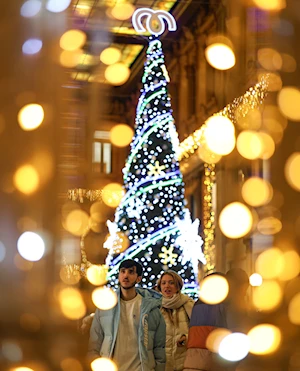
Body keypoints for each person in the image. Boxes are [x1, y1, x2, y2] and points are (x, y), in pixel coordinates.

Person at [88, 259, 166, 371]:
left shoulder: (151, 309)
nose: (126, 275)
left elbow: (159, 348)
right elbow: (94, 344)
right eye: (123, 271)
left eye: (131, 272)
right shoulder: (105, 305)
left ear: (138, 278)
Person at [182, 269, 250, 371]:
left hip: (193, 360)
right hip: (215, 362)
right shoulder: (228, 304)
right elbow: (236, 335)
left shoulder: (197, 304)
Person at [156, 270, 195, 371]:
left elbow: (198, 330)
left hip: (185, 361)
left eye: (171, 283)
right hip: (162, 364)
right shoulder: (154, 306)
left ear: (178, 286)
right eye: (163, 283)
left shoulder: (189, 305)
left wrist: (187, 338)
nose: (167, 286)